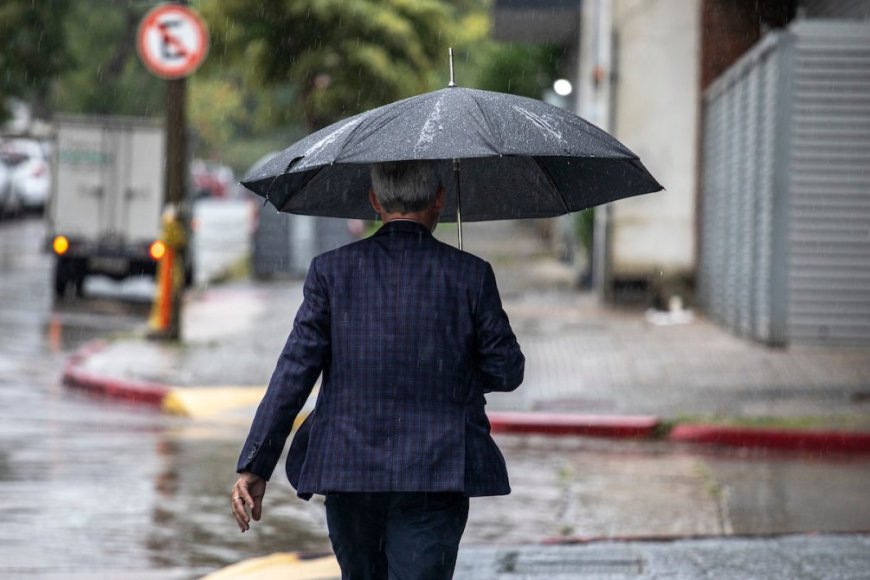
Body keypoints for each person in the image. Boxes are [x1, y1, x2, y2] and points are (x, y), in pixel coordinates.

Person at [231, 160, 525, 580]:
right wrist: (457, 360)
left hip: (349, 471)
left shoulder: (331, 272)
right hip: (436, 472)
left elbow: (294, 371)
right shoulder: (470, 275)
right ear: (440, 199)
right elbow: (507, 372)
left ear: (374, 201)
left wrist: (254, 466)